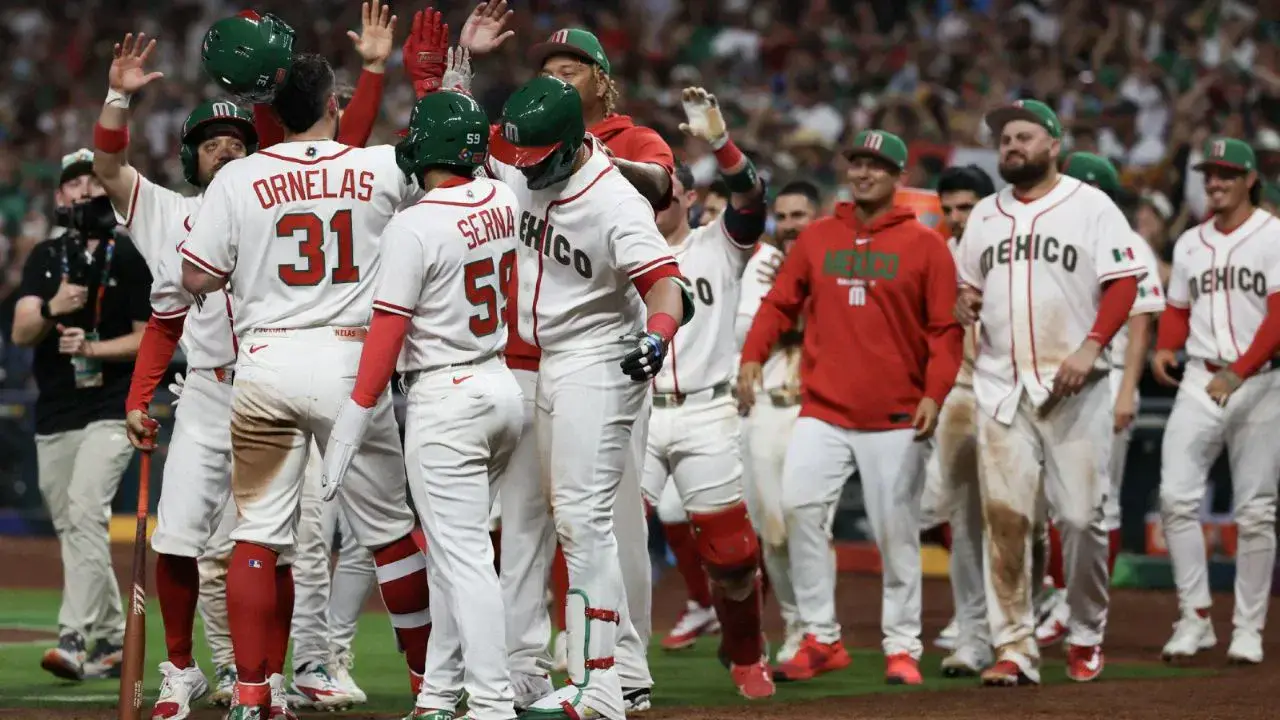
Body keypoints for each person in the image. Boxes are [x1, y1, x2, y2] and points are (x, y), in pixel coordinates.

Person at [106, 9, 394, 710]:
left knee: (293, 544)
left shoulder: (263, 184)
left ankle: (279, 672)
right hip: (214, 392)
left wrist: (373, 78)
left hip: (277, 379)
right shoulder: (172, 210)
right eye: (211, 143)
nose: (226, 150)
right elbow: (112, 172)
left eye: (238, 138)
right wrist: (117, 99)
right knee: (181, 539)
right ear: (190, 157)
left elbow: (337, 148)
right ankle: (188, 671)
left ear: (258, 141)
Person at [176, 51, 432, 719]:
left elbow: (195, 277)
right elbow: (439, 187)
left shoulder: (238, 178)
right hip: (354, 362)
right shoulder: (379, 164)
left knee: (258, 534)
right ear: (333, 107)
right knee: (391, 535)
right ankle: (429, 688)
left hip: (266, 363)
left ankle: (253, 694)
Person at [454, 7, 673, 707]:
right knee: (524, 522)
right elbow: (456, 143)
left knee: (597, 519)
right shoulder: (526, 143)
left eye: (568, 67)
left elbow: (663, 263)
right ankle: (532, 670)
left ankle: (610, 675)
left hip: (598, 357)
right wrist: (461, 67)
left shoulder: (616, 182)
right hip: (525, 358)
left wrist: (659, 333)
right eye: (545, 69)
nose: (555, 76)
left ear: (598, 85)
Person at [323, 90, 524, 720]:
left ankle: (491, 702)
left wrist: (353, 418)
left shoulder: (415, 224)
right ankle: (438, 694)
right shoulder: (504, 196)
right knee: (451, 553)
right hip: (500, 383)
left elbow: (386, 331)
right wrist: (455, 83)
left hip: (446, 397)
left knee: (464, 562)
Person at [739, 129, 963, 686]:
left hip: (896, 415)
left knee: (896, 533)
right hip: (824, 411)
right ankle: (821, 636)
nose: (863, 173)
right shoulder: (818, 238)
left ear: (899, 177)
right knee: (798, 510)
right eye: (857, 163)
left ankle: (902, 646)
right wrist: (751, 358)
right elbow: (777, 304)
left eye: (877, 165)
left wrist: (936, 393)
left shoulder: (926, 245)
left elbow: (945, 331)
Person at [954, 99, 1145, 686]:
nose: (1011, 145)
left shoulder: (1092, 206)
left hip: (1076, 386)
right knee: (1007, 521)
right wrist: (964, 302)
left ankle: (1086, 630)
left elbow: (1123, 283)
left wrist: (1090, 347)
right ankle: (1015, 646)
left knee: (1083, 520)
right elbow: (967, 287)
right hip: (1000, 387)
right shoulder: (984, 214)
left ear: (1054, 143)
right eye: (1005, 138)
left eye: (1024, 136)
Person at [640, 86, 772, 698]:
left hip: (706, 409)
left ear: (689, 197)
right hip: (634, 413)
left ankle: (746, 651)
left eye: (665, 187)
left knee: (733, 556)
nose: (655, 198)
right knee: (602, 540)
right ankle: (605, 661)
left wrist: (719, 142)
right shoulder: (617, 249)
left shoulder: (720, 244)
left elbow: (750, 198)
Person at [10, 148, 149, 682]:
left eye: (93, 180)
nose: (84, 190)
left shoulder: (131, 255)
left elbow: (148, 338)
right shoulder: (47, 257)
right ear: (59, 195)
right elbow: (22, 330)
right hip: (56, 410)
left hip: (112, 406)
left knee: (87, 509)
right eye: (73, 183)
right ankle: (113, 640)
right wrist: (53, 308)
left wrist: (94, 349)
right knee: (74, 527)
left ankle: (72, 638)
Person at [1152, 137, 1280, 666]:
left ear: (1250, 179)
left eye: (1227, 174)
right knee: (1175, 499)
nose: (1215, 182)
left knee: (1255, 512)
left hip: (1261, 382)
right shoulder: (1188, 243)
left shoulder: (1273, 235)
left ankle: (1247, 628)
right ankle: (1195, 618)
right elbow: (1178, 307)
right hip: (1201, 380)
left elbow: (1278, 317)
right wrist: (1164, 344)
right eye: (1209, 173)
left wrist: (1240, 370)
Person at [1034, 152, 1166, 649]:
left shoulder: (1128, 243)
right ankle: (1060, 598)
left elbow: (1140, 320)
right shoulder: (1051, 234)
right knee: (1053, 501)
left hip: (1106, 379)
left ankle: (1079, 609)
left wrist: (1127, 389)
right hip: (1054, 379)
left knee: (1097, 505)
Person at [736, 180, 822, 665]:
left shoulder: (832, 258)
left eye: (799, 215)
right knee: (773, 530)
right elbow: (746, 331)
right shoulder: (761, 264)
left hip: (816, 405)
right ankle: (796, 626)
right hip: (768, 404)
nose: (790, 225)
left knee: (809, 523)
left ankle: (819, 628)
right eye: (783, 217)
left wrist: (788, 306)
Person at [916, 164, 996, 677]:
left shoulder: (1012, 251)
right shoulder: (939, 257)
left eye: (966, 207)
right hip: (963, 392)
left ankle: (1019, 625)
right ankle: (973, 634)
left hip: (1021, 391)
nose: (956, 217)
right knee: (964, 522)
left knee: (1019, 521)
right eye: (948, 209)